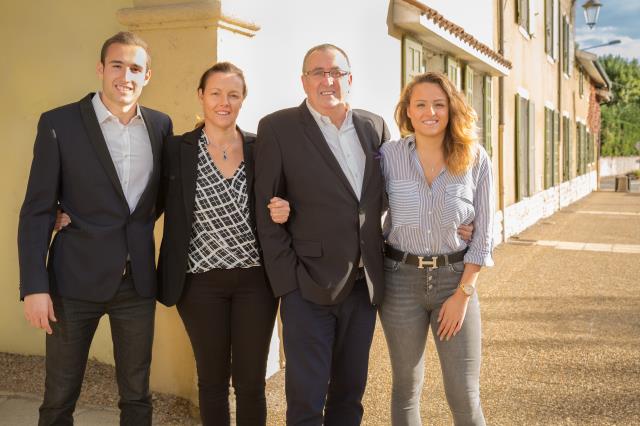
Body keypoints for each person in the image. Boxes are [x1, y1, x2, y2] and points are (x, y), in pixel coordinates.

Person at [17, 32, 173, 425]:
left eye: (135, 68)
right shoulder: (59, 123)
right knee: (58, 398)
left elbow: (155, 202)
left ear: (147, 75)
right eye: (117, 65)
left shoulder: (159, 126)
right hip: (72, 282)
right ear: (101, 69)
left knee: (137, 396)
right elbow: (36, 210)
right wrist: (35, 287)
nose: (126, 75)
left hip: (136, 283)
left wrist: (131, 233)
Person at [254, 44, 389, 425]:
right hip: (307, 287)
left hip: (363, 287)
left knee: (350, 397)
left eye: (335, 72)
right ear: (304, 81)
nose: (327, 80)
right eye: (317, 72)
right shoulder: (277, 128)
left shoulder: (374, 126)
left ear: (350, 78)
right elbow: (266, 211)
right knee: (306, 400)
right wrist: (288, 283)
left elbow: (391, 193)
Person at [155, 62, 289, 426]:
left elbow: (286, 197)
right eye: (215, 93)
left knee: (250, 384)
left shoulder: (261, 148)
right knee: (211, 381)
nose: (223, 102)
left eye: (233, 94)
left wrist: (285, 208)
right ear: (201, 96)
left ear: (243, 99)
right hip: (198, 284)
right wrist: (73, 214)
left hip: (256, 283)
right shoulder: (175, 149)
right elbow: (145, 204)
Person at [378, 71, 494, 426]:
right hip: (399, 282)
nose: (431, 112)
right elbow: (360, 207)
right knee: (406, 388)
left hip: (454, 280)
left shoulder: (475, 158)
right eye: (421, 104)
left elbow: (485, 234)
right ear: (408, 112)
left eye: (439, 104)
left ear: (451, 110)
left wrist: (462, 294)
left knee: (463, 392)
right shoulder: (387, 156)